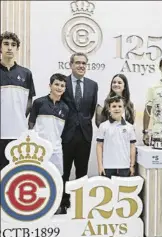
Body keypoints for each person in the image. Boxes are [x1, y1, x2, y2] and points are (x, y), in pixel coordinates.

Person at [59, 52, 98, 214]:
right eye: (78, 63)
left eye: (84, 63)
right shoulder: (63, 83)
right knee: (64, 171)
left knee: (82, 171)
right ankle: (63, 202)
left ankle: (80, 203)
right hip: (66, 134)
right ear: (71, 65)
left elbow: (91, 109)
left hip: (84, 134)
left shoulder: (92, 85)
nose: (81, 66)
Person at [0, 31, 36, 170]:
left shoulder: (26, 73)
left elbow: (29, 102)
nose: (10, 48)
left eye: (13, 45)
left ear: (17, 48)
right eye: (6, 44)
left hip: (18, 133)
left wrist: (19, 118)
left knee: (14, 172)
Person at [28, 73, 69, 175]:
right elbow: (31, 123)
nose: (59, 88)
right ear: (50, 86)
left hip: (56, 149)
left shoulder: (65, 108)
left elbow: (62, 131)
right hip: (38, 148)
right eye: (56, 84)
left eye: (62, 86)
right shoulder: (39, 102)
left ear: (65, 89)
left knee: (56, 177)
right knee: (37, 176)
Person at [96, 95, 136, 178]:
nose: (117, 108)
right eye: (114, 106)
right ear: (109, 109)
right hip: (107, 167)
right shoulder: (103, 126)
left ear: (124, 108)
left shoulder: (129, 127)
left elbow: (132, 146)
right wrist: (100, 165)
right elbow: (99, 146)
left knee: (123, 190)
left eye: (120, 106)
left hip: (124, 166)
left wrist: (132, 165)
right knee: (108, 190)